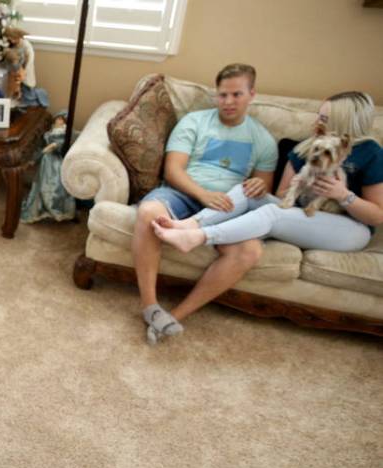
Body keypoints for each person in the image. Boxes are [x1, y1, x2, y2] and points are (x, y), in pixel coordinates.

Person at [131, 63, 278, 343]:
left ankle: (176, 315)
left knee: (250, 251)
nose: (228, 102)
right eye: (222, 95)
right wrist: (203, 195)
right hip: (184, 193)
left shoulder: (263, 140)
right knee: (149, 212)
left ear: (252, 94)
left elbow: (263, 190)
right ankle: (150, 307)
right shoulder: (195, 122)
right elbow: (173, 171)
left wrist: (260, 185)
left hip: (228, 207)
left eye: (237, 95)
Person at [153, 91, 383, 256]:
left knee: (272, 213)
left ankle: (199, 237)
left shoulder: (371, 152)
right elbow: (284, 195)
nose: (316, 122)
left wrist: (343, 195)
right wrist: (301, 188)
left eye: (323, 118)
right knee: (248, 191)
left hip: (349, 229)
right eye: (318, 116)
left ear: (342, 121)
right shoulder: (307, 146)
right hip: (300, 214)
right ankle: (189, 224)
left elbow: (377, 216)